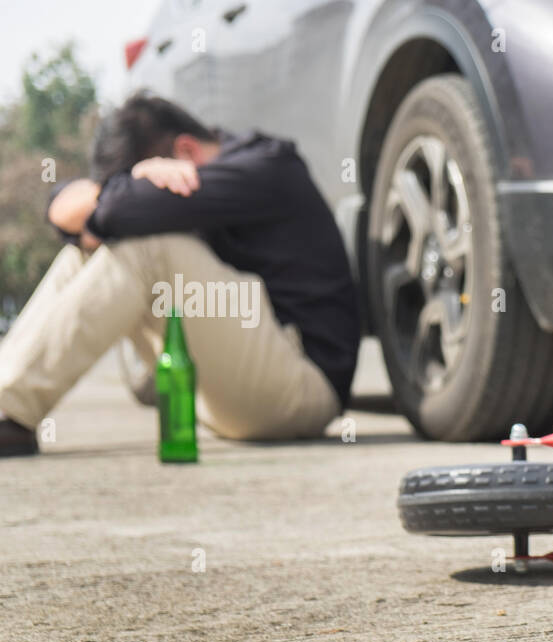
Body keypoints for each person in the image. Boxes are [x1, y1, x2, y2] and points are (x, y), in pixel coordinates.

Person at [0, 93, 361, 456]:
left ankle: (11, 409)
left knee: (149, 248)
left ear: (186, 151)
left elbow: (115, 212)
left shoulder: (266, 168)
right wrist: (124, 189)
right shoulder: (218, 167)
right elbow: (68, 209)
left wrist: (121, 195)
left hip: (301, 389)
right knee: (85, 250)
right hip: (231, 397)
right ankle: (6, 401)